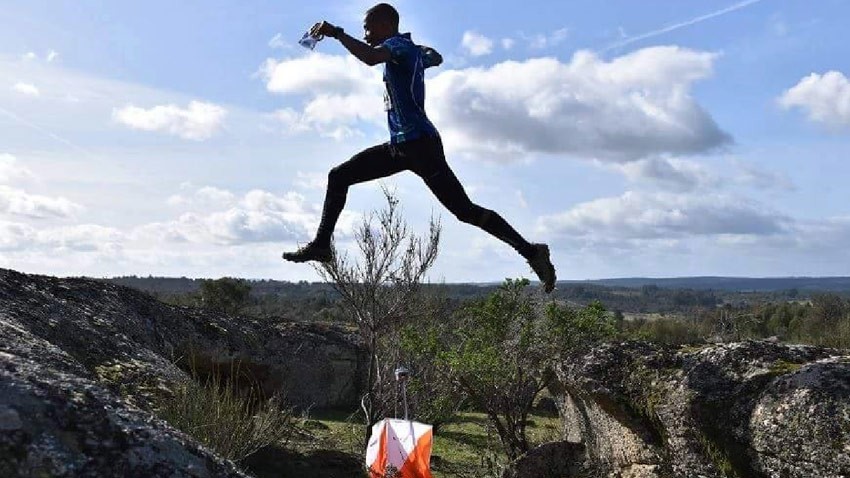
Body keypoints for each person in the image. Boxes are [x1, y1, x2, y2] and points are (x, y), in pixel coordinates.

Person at [282, 3, 557, 293]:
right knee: (339, 176)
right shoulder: (404, 50)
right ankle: (322, 245)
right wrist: (422, 53)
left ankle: (531, 251)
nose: (365, 35)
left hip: (421, 147)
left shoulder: (397, 46)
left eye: (368, 28)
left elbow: (371, 58)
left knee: (465, 211)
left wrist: (337, 33)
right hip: (400, 147)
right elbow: (434, 57)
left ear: (386, 25)